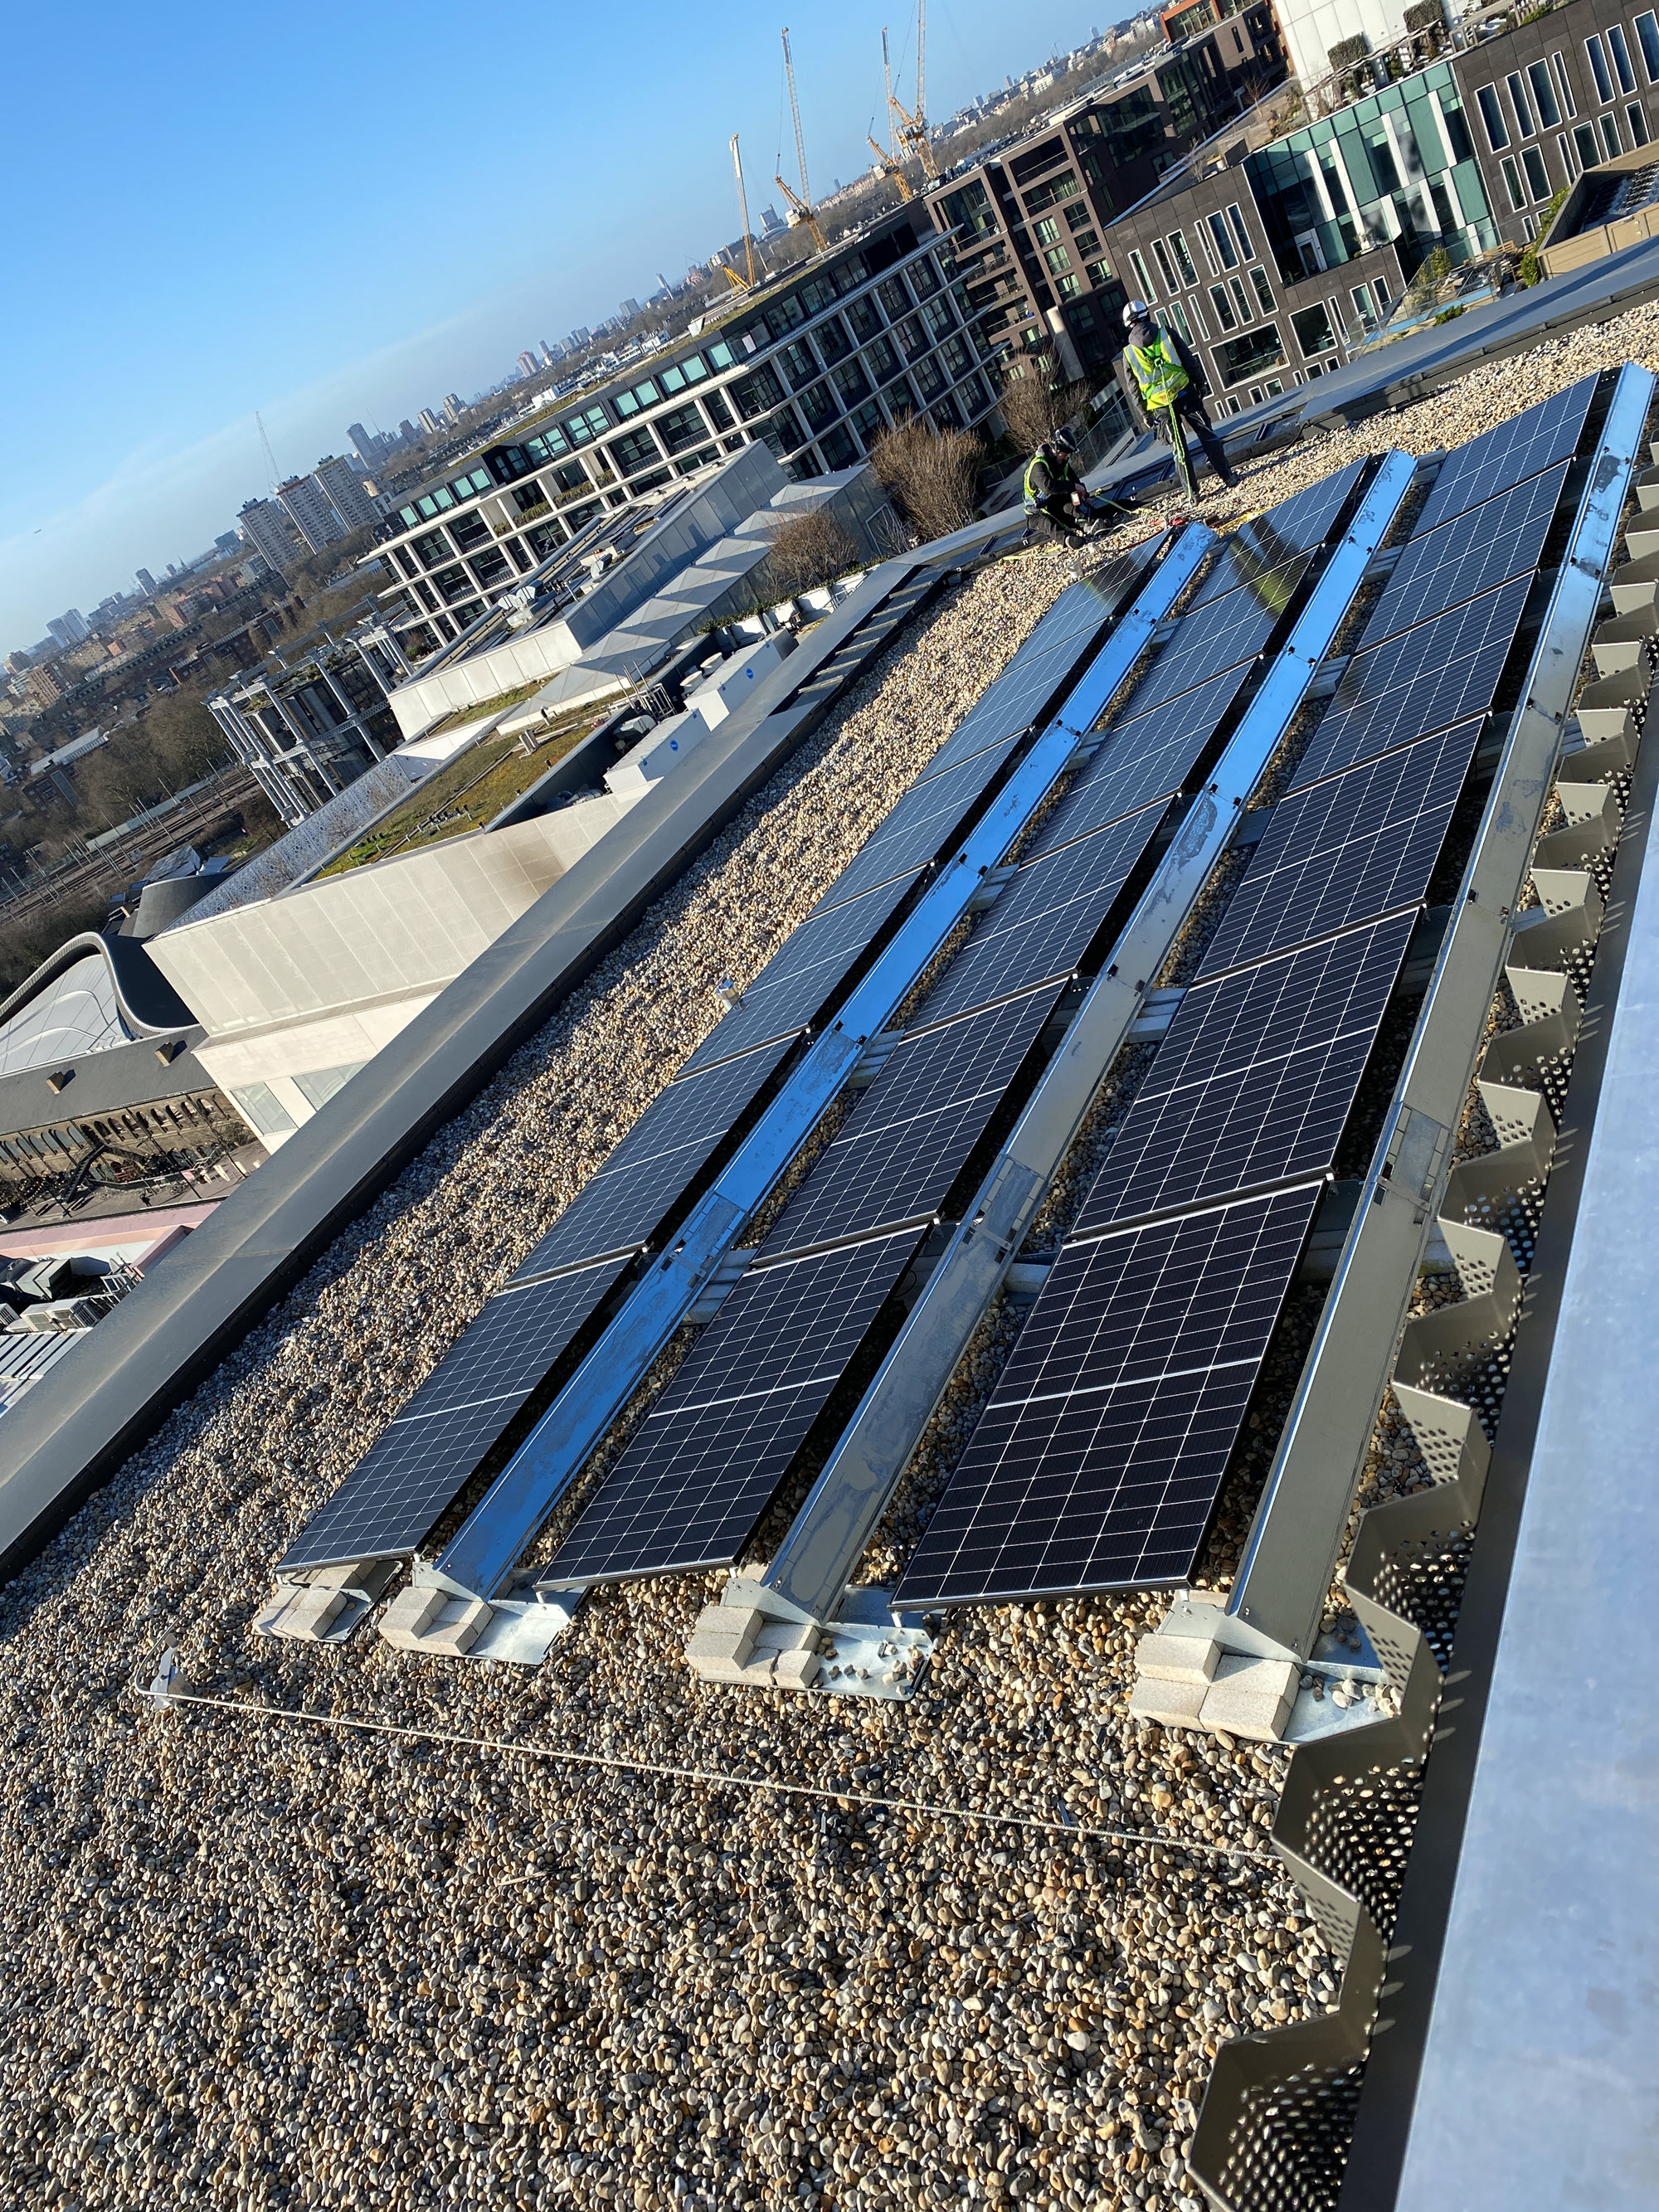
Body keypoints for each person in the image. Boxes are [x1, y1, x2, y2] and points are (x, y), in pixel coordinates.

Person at [1120, 301, 1238, 499]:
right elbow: (1188, 359)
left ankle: (1192, 493)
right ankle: (1228, 477)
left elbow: (1133, 389)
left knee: (1179, 449)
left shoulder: (1129, 353)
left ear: (1129, 325)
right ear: (1147, 316)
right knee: (1207, 435)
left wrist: (1145, 415)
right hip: (1185, 394)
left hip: (1161, 407)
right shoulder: (1167, 333)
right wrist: (1200, 384)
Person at [1021, 427, 1131, 554]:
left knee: (1071, 503)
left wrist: (1085, 496)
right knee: (1049, 524)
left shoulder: (1062, 463)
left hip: (1054, 503)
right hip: (1037, 513)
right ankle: (1068, 539)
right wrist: (1073, 487)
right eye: (1064, 454)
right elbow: (1048, 486)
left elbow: (1075, 481)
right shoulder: (1038, 466)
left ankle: (1088, 524)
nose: (1066, 457)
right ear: (1056, 450)